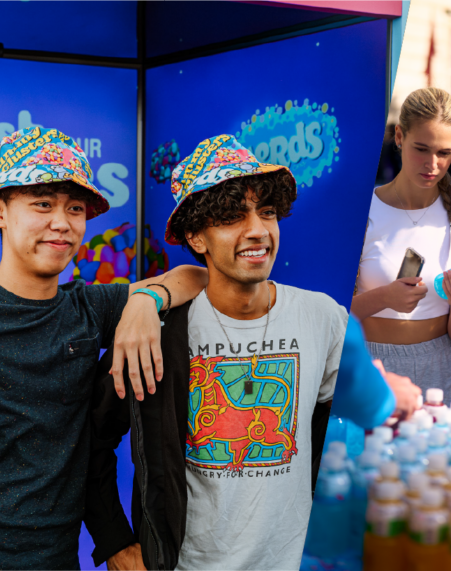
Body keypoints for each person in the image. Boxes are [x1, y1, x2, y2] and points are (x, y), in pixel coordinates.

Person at [85, 134, 351, 571]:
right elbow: (93, 437)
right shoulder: (159, 332)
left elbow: (339, 424)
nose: (257, 230)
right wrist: (114, 540)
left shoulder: (322, 317)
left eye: (266, 212)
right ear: (196, 236)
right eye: (231, 217)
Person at [0, 127, 207, 569]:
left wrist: (144, 301)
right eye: (42, 203)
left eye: (74, 208)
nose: (62, 222)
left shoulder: (88, 307)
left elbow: (196, 276)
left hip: (59, 556)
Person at [352, 87, 451, 404]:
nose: (432, 164)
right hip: (370, 369)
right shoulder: (359, 211)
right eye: (421, 149)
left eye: (444, 153)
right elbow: (330, 319)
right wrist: (384, 297)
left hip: (444, 374)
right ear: (399, 136)